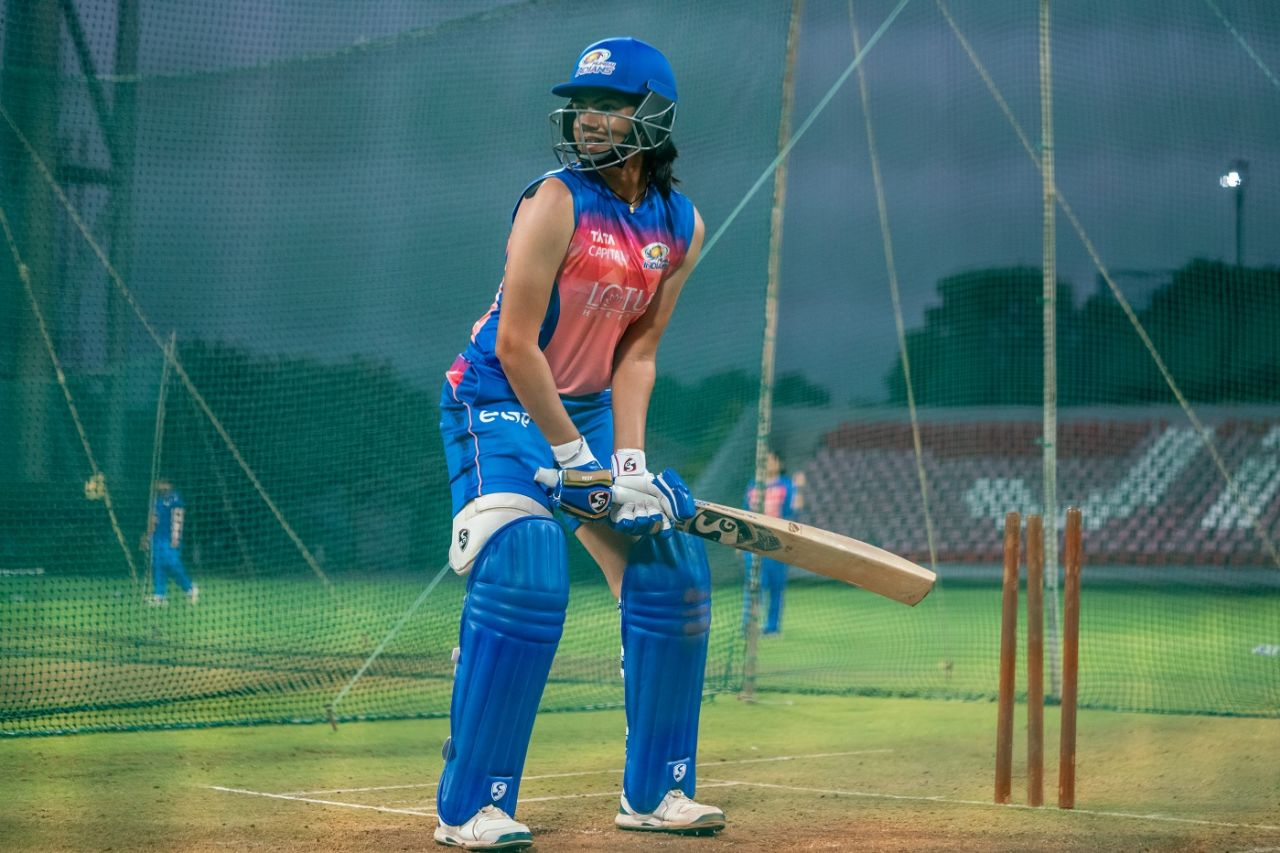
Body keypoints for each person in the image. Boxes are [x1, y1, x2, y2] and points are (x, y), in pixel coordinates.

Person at [432, 36, 724, 850]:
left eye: (609, 106)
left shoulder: (681, 224)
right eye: (583, 106)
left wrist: (627, 467)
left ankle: (658, 790)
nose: (589, 120)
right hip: (498, 396)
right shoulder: (555, 201)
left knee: (672, 568)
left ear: (653, 115)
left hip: (590, 407)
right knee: (527, 565)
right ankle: (471, 806)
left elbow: (639, 353)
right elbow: (516, 345)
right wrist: (572, 463)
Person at [742, 450, 804, 636]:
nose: (766, 463)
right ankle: (749, 624)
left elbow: (794, 511)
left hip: (778, 542)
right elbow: (745, 513)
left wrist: (800, 489)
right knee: (755, 585)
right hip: (754, 543)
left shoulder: (787, 484)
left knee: (776, 585)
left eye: (769, 459)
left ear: (779, 463)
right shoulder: (753, 485)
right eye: (763, 460)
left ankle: (772, 627)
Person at [142, 476, 198, 606]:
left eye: (162, 484)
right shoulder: (156, 500)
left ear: (169, 484)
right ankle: (160, 596)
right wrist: (148, 537)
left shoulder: (175, 498)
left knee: (172, 564)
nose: (159, 487)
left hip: (170, 538)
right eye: (158, 484)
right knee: (158, 565)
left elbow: (178, 518)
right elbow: (153, 519)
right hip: (157, 538)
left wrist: (176, 537)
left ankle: (189, 587)